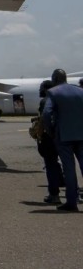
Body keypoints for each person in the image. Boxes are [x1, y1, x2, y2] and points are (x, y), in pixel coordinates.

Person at [42, 68, 83, 212]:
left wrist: (51, 130)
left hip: (64, 136)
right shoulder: (80, 91)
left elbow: (47, 114)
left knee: (69, 169)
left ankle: (71, 202)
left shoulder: (53, 93)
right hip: (81, 135)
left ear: (54, 79)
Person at [35, 80, 64, 205]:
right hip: (63, 136)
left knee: (50, 164)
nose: (39, 91)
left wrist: (40, 133)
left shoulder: (45, 101)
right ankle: (71, 189)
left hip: (49, 137)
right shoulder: (61, 99)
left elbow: (45, 118)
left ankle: (54, 194)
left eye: (41, 88)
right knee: (63, 164)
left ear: (46, 89)